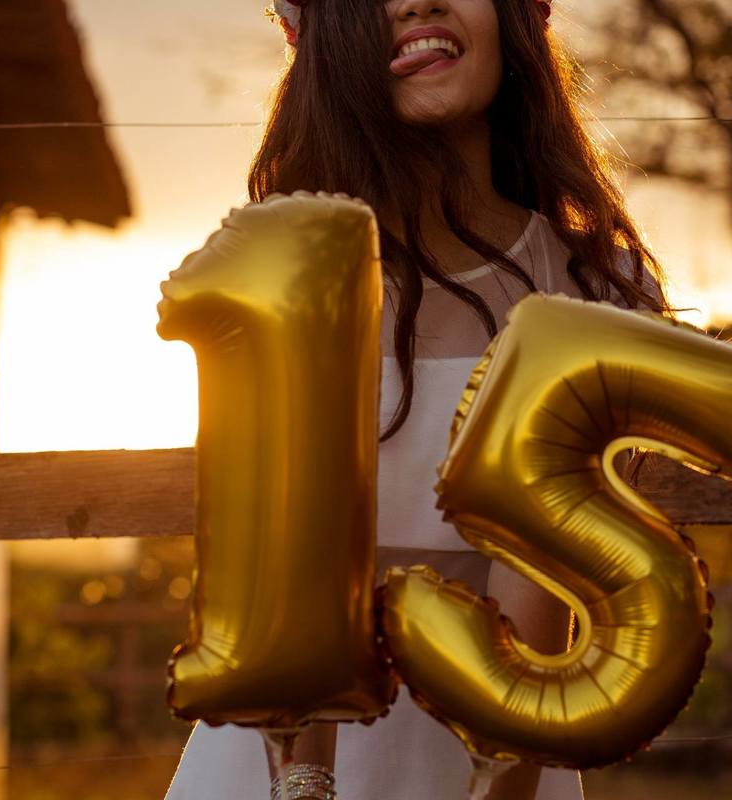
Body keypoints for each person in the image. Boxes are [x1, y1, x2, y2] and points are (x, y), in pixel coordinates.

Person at [163, 1, 669, 798]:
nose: (413, 2)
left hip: (505, 760)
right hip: (273, 765)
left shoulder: (598, 294)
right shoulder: (273, 275)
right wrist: (303, 788)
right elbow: (284, 581)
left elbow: (541, 602)